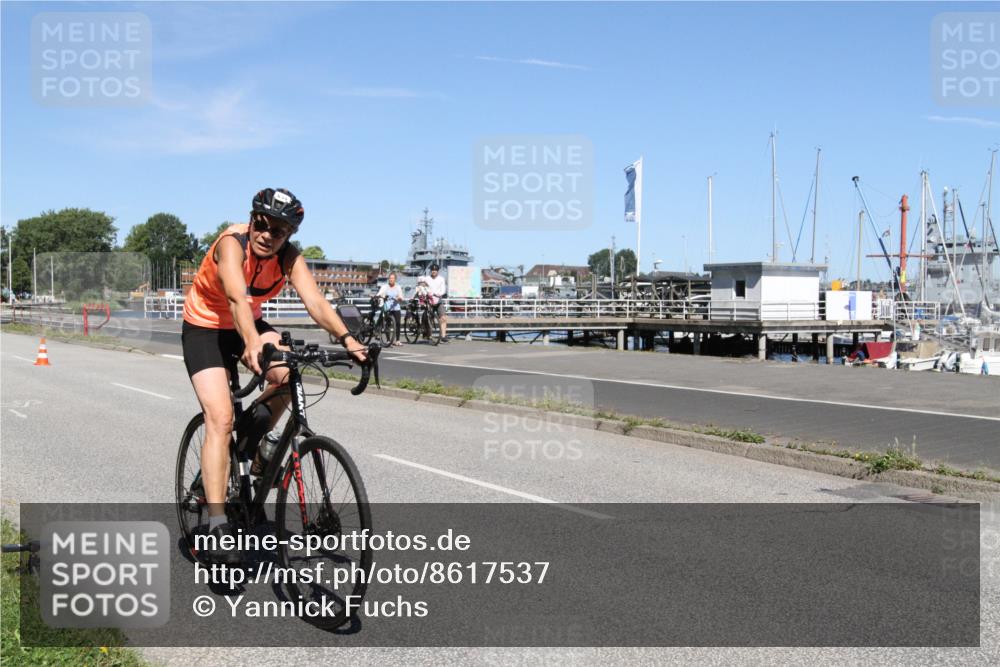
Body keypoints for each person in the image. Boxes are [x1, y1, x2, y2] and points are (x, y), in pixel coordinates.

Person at [182, 188, 365, 565]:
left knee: (286, 373)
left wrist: (348, 339)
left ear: (289, 236)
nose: (267, 234)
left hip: (246, 321)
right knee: (221, 418)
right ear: (252, 220)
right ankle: (218, 523)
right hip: (205, 327)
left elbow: (315, 302)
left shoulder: (289, 257)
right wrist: (250, 341)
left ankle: (258, 445)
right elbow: (235, 298)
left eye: (278, 231)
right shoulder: (232, 245)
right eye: (261, 224)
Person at [377, 272, 404, 346]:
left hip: (396, 307)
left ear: (395, 279)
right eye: (390, 278)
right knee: (387, 324)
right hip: (387, 307)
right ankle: (388, 340)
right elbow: (379, 293)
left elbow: (401, 297)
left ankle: (397, 340)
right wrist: (378, 296)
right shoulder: (385, 286)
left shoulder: (398, 287)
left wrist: (399, 298)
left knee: (398, 323)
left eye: (393, 278)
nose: (391, 280)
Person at [426, 263, 448, 342]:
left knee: (443, 318)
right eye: (432, 270)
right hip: (429, 301)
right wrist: (429, 293)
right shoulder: (427, 279)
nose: (434, 271)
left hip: (438, 300)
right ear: (430, 271)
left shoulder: (441, 279)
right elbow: (424, 288)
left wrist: (439, 294)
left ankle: (443, 336)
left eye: (435, 270)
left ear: (438, 271)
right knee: (430, 319)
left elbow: (443, 290)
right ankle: (429, 336)